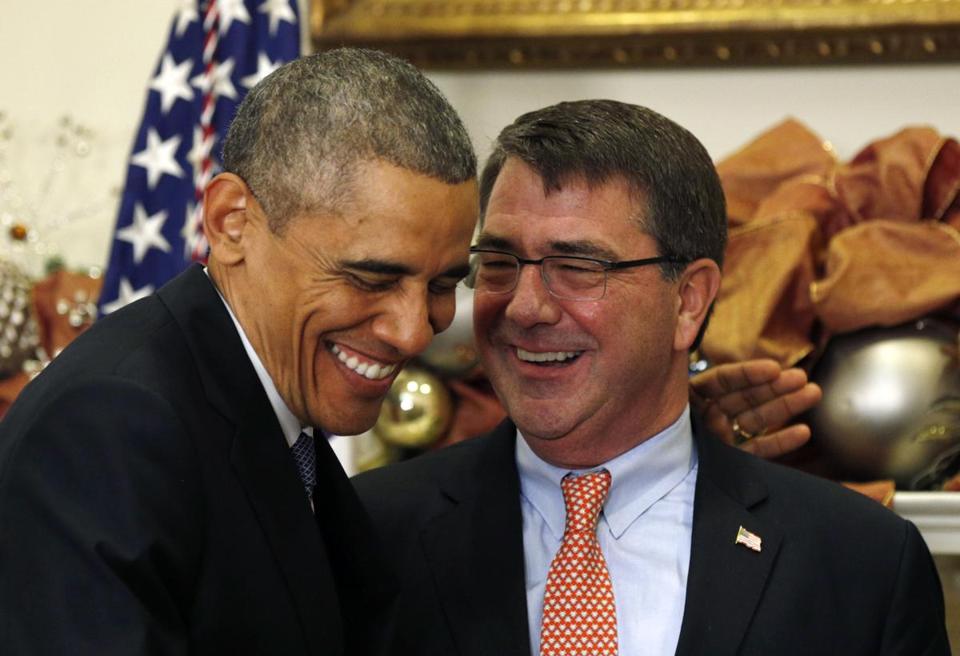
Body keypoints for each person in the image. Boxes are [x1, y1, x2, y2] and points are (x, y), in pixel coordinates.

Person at [352, 100, 951, 655]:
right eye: (500, 262)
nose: (525, 307)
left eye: (577, 267)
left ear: (689, 301)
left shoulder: (860, 561)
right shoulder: (366, 535)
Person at [0, 48, 479, 655]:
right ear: (232, 223)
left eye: (442, 285)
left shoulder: (269, 406)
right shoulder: (110, 427)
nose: (413, 332)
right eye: (370, 279)